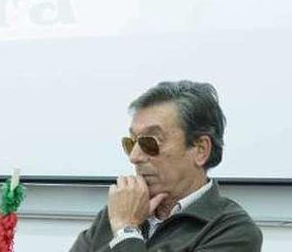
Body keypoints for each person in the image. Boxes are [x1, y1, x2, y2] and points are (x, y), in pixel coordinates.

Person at [70, 80, 262, 251]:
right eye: (132, 142)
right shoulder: (123, 209)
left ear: (200, 149)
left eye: (150, 141)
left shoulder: (232, 230)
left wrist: (127, 230)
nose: (135, 157)